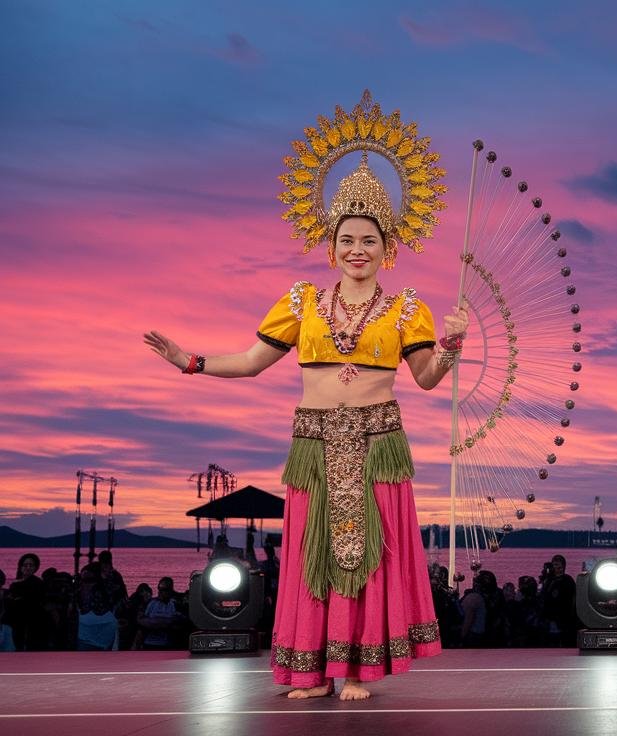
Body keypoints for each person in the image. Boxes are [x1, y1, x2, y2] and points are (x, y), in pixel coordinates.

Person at [144, 138, 467, 698]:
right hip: (314, 448)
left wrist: (451, 346)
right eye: (347, 239)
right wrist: (190, 361)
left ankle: (357, 669)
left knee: (368, 556)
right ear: (331, 245)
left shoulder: (409, 310)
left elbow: (427, 378)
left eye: (369, 240)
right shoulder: (300, 304)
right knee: (311, 556)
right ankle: (312, 671)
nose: (357, 249)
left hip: (377, 446)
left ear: (387, 246)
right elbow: (250, 363)